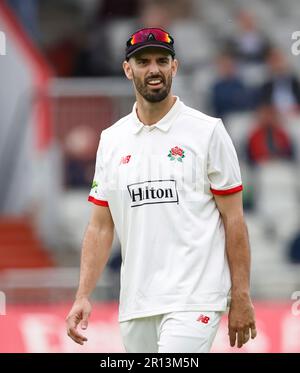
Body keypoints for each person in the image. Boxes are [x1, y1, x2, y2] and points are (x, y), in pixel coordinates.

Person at [66, 27, 257, 353]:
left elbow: (234, 220)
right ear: (128, 69)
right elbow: (100, 226)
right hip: (136, 303)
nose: (153, 69)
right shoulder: (111, 140)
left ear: (174, 67)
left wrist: (241, 295)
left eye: (161, 60)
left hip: (194, 298)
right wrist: (82, 294)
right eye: (143, 62)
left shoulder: (208, 132)